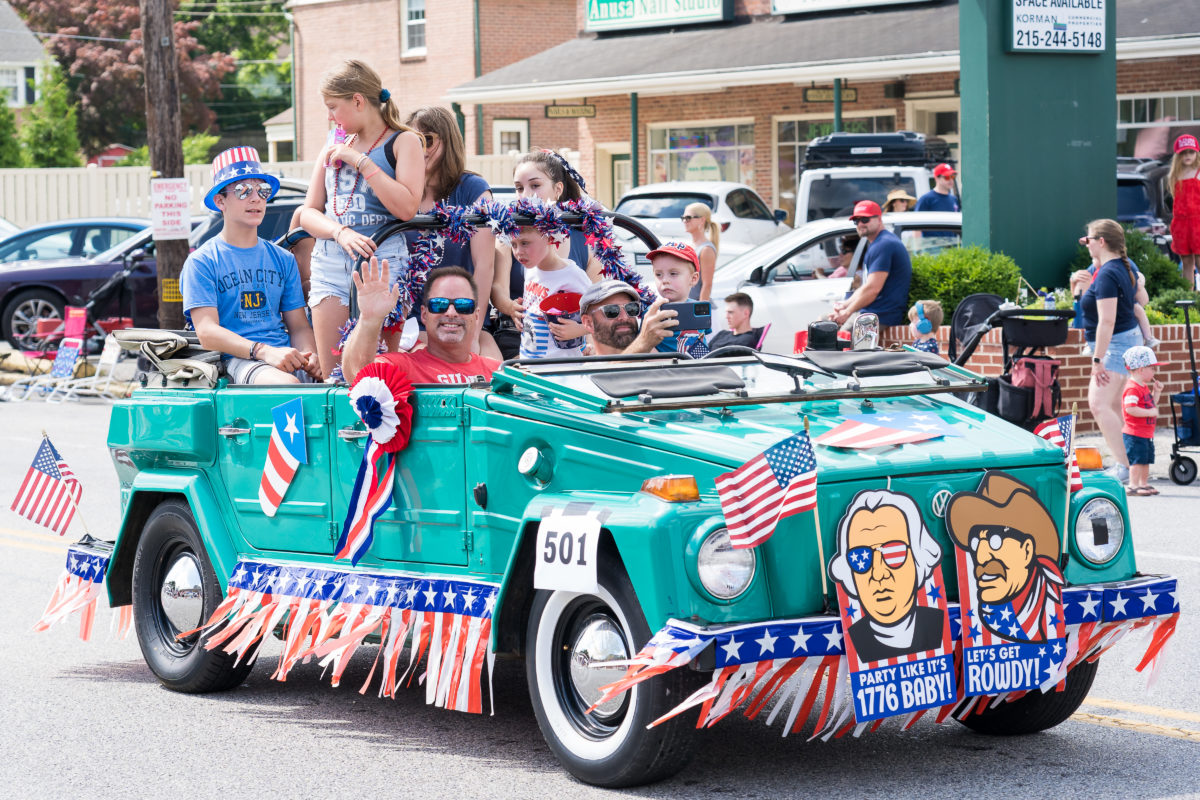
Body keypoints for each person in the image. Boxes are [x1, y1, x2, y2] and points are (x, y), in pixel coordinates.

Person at [298, 59, 425, 377]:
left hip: (382, 263)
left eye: (332, 107)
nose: (329, 117)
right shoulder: (333, 141)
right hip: (330, 262)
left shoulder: (404, 141)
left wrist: (361, 161)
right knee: (335, 374)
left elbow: (407, 208)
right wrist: (339, 232)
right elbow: (308, 212)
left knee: (377, 373)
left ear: (357, 100)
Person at [182, 147, 321, 385]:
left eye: (262, 190)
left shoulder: (283, 259)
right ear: (220, 201)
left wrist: (311, 356)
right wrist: (264, 351)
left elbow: (298, 326)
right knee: (287, 385)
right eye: (243, 190)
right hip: (232, 361)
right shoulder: (202, 261)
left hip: (284, 356)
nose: (256, 197)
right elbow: (206, 332)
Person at [404, 106, 499, 359]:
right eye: (412, 141)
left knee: (494, 378)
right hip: (408, 325)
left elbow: (484, 267)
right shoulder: (398, 189)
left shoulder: (472, 189)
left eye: (428, 140)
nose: (419, 149)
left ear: (449, 142)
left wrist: (473, 336)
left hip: (463, 318)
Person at [491, 149, 601, 359]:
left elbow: (598, 301)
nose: (526, 195)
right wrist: (512, 307)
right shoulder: (509, 231)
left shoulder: (583, 236)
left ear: (558, 188)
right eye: (519, 188)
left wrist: (585, 335)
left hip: (570, 343)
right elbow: (498, 287)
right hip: (519, 335)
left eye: (535, 186)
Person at [827, 489, 948, 663]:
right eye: (862, 557)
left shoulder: (939, 625)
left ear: (919, 558)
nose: (879, 574)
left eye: (894, 552)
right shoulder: (854, 638)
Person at [946, 472, 1064, 643]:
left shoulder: (1043, 606)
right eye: (975, 541)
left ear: (1027, 550)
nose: (980, 556)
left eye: (995, 541)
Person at [342, 260, 498, 385]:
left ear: (477, 316)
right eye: (439, 304)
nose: (451, 313)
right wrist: (370, 319)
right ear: (424, 314)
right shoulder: (403, 368)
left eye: (463, 305)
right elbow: (357, 375)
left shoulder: (498, 372)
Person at [1079, 219, 1145, 484]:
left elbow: (1108, 320)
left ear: (1101, 242)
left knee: (1099, 404)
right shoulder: (1118, 268)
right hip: (1124, 341)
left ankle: (1125, 466)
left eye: (1088, 239)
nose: (1086, 244)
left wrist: (1097, 360)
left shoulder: (1108, 274)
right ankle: (1130, 464)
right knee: (1116, 407)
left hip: (1116, 345)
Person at [828, 201, 912, 327]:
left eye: (865, 219)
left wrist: (847, 312)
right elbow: (866, 287)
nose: (860, 224)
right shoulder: (876, 243)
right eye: (856, 221)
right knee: (822, 323)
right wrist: (844, 305)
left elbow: (873, 289)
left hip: (880, 316)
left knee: (840, 337)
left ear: (879, 219)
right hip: (870, 312)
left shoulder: (884, 244)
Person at [515, 225, 591, 359]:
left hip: (561, 370)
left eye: (524, 243)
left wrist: (579, 330)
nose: (518, 252)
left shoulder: (572, 275)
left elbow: (602, 317)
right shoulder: (529, 270)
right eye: (513, 245)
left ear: (550, 237)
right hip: (529, 366)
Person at [579, 280, 675, 355]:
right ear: (588, 323)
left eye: (631, 309)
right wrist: (642, 344)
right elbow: (605, 376)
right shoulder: (582, 376)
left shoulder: (659, 361)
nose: (624, 317)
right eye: (611, 310)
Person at [648, 241, 710, 357]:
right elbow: (646, 347)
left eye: (673, 273)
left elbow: (702, 338)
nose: (665, 280)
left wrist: (702, 364)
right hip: (667, 371)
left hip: (697, 370)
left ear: (694, 278)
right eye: (658, 274)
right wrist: (670, 367)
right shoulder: (653, 312)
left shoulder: (699, 308)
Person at [1122, 345, 1164, 496]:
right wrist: (1150, 412)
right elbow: (1130, 409)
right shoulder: (1133, 388)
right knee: (1137, 460)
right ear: (1141, 369)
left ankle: (1143, 483)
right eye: (1152, 368)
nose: (1154, 371)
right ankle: (1133, 486)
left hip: (1145, 433)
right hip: (1134, 433)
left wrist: (1156, 392)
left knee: (1146, 459)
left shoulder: (1144, 387)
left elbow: (1151, 403)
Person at [1167, 133, 1200, 289]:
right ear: (1178, 155)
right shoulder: (1175, 175)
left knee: (1199, 260)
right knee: (1187, 262)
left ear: (1197, 153)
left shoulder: (1199, 172)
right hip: (1181, 224)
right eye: (1184, 152)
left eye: (1191, 152)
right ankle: (1188, 299)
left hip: (1198, 222)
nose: (1187, 155)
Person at [681, 202, 719, 301]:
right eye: (683, 218)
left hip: (698, 308)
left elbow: (707, 285)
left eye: (688, 218)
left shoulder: (706, 249)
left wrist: (701, 312)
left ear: (702, 220)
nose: (685, 221)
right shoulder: (691, 246)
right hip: (689, 304)